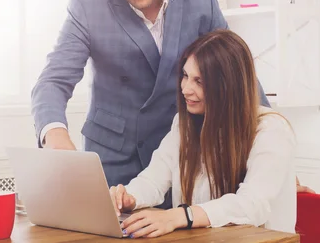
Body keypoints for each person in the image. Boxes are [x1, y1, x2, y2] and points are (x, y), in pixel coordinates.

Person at [31, 0, 270, 192]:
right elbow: (53, 81)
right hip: (113, 164)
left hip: (186, 159)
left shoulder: (201, 0)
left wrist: (268, 148)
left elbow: (237, 75)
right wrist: (55, 136)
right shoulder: (86, 8)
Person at [109, 29, 297, 238]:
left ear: (228, 86)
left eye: (199, 81)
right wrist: (129, 197)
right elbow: (153, 179)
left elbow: (252, 204)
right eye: (186, 76)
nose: (186, 89)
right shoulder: (185, 124)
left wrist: (181, 216)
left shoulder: (271, 130)